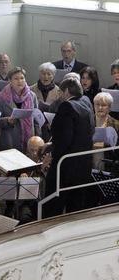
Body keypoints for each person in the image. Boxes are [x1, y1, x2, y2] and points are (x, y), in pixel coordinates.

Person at [44, 78, 95, 217]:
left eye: (60, 91)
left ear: (66, 91)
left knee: (53, 206)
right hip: (84, 164)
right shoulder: (86, 102)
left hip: (66, 166)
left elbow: (64, 139)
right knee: (76, 208)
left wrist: (53, 151)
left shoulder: (66, 106)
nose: (59, 95)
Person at [0, 67, 40, 152]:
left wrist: (38, 137)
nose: (20, 81)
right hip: (10, 140)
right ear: (10, 80)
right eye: (16, 79)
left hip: (30, 140)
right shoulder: (2, 97)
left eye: (22, 78)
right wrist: (7, 121)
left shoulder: (32, 96)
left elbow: (36, 119)